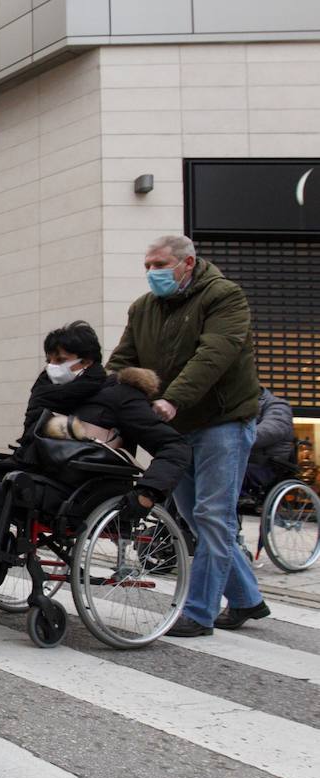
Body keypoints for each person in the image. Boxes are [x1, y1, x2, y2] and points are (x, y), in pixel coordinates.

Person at [0, 321, 190, 635]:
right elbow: (33, 439)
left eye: (61, 360)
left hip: (78, 486)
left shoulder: (119, 396)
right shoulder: (48, 390)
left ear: (86, 362)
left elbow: (174, 446)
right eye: (50, 359)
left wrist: (147, 492)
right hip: (31, 469)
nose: (53, 367)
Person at [107, 234, 269, 635]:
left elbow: (215, 353)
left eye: (159, 265)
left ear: (188, 263)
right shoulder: (142, 308)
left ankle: (199, 612)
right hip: (174, 430)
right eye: (147, 266)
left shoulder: (224, 297)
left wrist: (172, 399)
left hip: (222, 422)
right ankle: (248, 600)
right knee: (198, 521)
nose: (152, 273)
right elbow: (124, 360)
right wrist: (111, 401)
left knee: (213, 517)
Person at [245, 389, 294, 494]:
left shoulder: (278, 405)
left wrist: (236, 438)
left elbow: (272, 430)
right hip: (242, 462)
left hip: (267, 467)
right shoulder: (237, 406)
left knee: (225, 471)